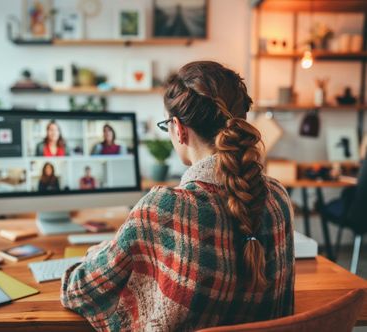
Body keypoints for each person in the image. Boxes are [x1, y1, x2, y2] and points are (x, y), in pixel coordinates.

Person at [61, 61, 294, 331]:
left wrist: (96, 253)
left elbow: (78, 290)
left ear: (178, 128)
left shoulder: (163, 208)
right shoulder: (278, 198)